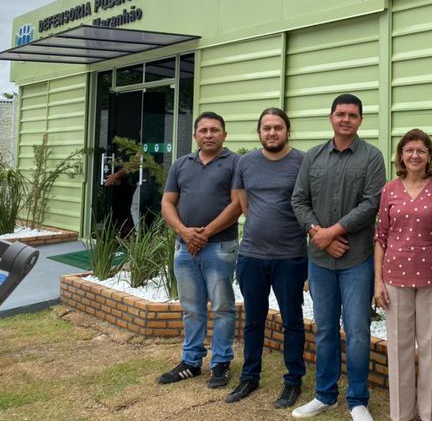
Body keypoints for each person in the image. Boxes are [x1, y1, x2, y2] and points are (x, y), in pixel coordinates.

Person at [291, 94, 386, 421]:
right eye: (341, 114)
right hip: (320, 260)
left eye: (353, 115)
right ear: (331, 117)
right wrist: (318, 233)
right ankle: (325, 395)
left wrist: (331, 232)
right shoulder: (313, 156)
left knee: (357, 331)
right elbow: (299, 200)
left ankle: (357, 400)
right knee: (325, 329)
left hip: (356, 259)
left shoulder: (372, 157)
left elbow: (371, 203)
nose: (346, 119)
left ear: (360, 120)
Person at [225, 107, 307, 407]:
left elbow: (307, 203)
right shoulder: (245, 163)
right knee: (253, 320)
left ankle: (293, 380)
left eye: (278, 127)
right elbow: (244, 205)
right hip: (252, 256)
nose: (272, 132)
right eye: (266, 128)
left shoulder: (303, 161)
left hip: (291, 256)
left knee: (292, 321)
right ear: (259, 132)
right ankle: (250, 377)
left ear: (287, 131)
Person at [157, 112, 241, 389]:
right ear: (195, 135)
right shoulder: (181, 164)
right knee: (191, 308)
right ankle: (191, 362)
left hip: (219, 247)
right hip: (185, 248)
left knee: (223, 307)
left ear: (224, 134)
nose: (209, 135)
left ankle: (221, 362)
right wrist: (183, 231)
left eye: (214, 130)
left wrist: (204, 234)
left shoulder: (235, 163)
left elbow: (237, 205)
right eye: (203, 130)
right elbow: (168, 203)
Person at [374, 129, 432, 421]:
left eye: (421, 151)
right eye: (409, 150)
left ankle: (429, 415)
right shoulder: (389, 189)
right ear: (401, 156)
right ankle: (401, 415)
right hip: (395, 279)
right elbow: (381, 236)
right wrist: (378, 281)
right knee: (399, 350)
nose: (415, 155)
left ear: (429, 156)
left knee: (431, 350)